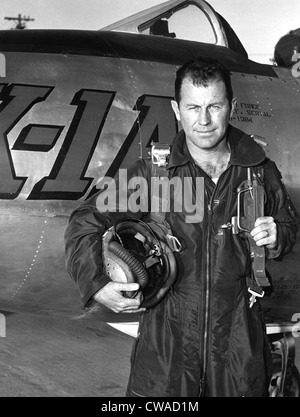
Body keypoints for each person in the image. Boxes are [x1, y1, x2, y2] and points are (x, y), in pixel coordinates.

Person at [64, 57, 299, 397]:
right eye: (193, 107)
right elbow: (86, 219)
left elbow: (290, 227)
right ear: (177, 109)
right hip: (166, 349)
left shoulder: (259, 171)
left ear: (230, 107)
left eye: (214, 106)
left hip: (238, 343)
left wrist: (278, 235)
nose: (203, 120)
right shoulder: (154, 174)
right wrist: (96, 283)